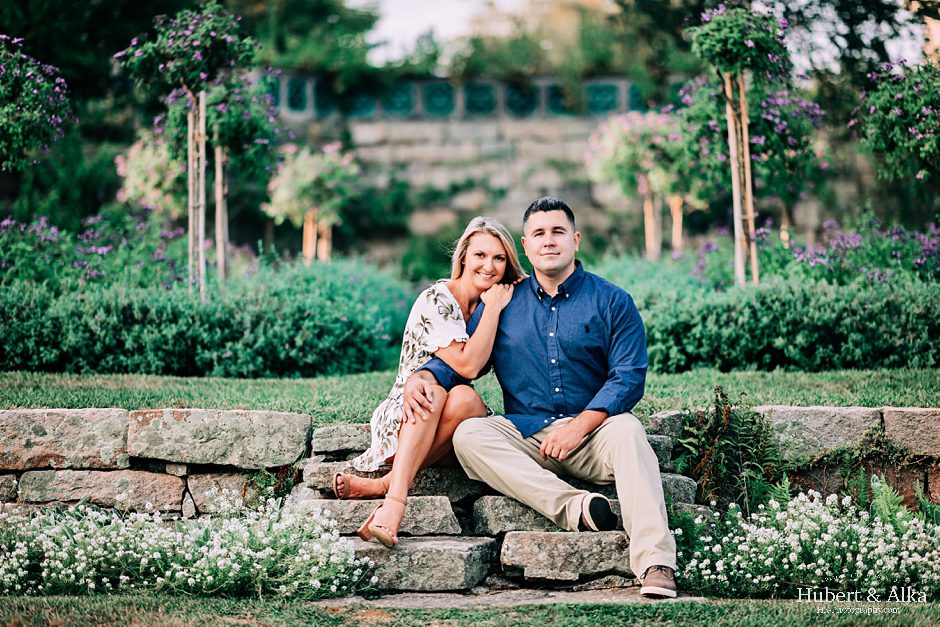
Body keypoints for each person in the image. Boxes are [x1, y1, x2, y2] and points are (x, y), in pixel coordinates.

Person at [403, 196, 678, 598]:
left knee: (631, 432)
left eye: (558, 232)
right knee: (470, 435)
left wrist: (580, 426)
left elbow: (628, 377)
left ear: (575, 240)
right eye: (539, 234)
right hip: (527, 434)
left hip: (593, 434)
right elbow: (464, 364)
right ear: (526, 245)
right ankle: (576, 508)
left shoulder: (612, 301)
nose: (548, 241)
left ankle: (656, 563)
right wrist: (422, 375)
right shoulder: (502, 303)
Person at [337, 216, 525, 548]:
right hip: (407, 413)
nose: (490, 265)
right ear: (464, 256)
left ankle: (385, 484)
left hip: (452, 423)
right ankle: (394, 504)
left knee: (465, 399)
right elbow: (467, 364)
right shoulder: (436, 300)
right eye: (481, 255)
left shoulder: (494, 302)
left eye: (499, 258)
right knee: (433, 392)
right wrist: (494, 310)